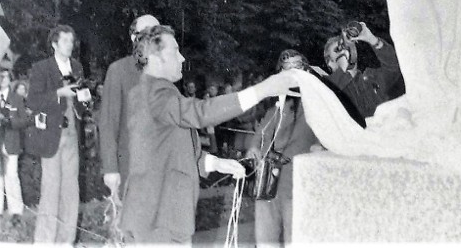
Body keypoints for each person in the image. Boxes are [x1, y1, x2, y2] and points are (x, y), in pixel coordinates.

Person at [120, 25, 299, 244]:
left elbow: (166, 152)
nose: (182, 57)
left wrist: (215, 163)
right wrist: (262, 89)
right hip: (158, 220)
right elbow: (200, 113)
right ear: (156, 57)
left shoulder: (151, 92)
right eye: (175, 51)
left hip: (156, 217)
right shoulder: (155, 92)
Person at [246, 50, 319, 247]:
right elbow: (260, 135)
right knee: (265, 238)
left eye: (298, 67)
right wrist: (253, 148)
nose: (293, 74)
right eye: (287, 69)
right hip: (268, 181)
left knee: (295, 238)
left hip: (297, 183)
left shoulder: (317, 105)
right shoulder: (275, 105)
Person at [27, 24, 91, 244]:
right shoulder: (42, 68)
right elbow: (33, 101)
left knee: (71, 193)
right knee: (51, 192)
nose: (70, 45)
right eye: (65, 41)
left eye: (71, 41)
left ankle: (66, 242)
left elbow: (82, 99)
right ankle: (44, 243)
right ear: (54, 44)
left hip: (72, 135)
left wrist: (85, 100)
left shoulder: (77, 67)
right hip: (51, 137)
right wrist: (58, 94)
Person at [99, 13, 160, 201]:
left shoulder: (165, 71)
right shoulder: (118, 70)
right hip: (130, 165)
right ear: (135, 38)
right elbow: (109, 122)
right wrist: (110, 168)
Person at [323, 21, 403, 120]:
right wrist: (344, 70)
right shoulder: (325, 87)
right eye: (338, 49)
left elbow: (393, 65)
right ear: (330, 63)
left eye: (347, 46)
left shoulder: (372, 78)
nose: (345, 50)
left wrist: (372, 39)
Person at [0, 68, 27, 226]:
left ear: (10, 80)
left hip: (11, 142)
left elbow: (23, 121)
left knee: (11, 176)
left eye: (5, 77)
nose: (2, 79)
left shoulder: (16, 98)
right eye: (0, 77)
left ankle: (16, 211)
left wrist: (8, 121)